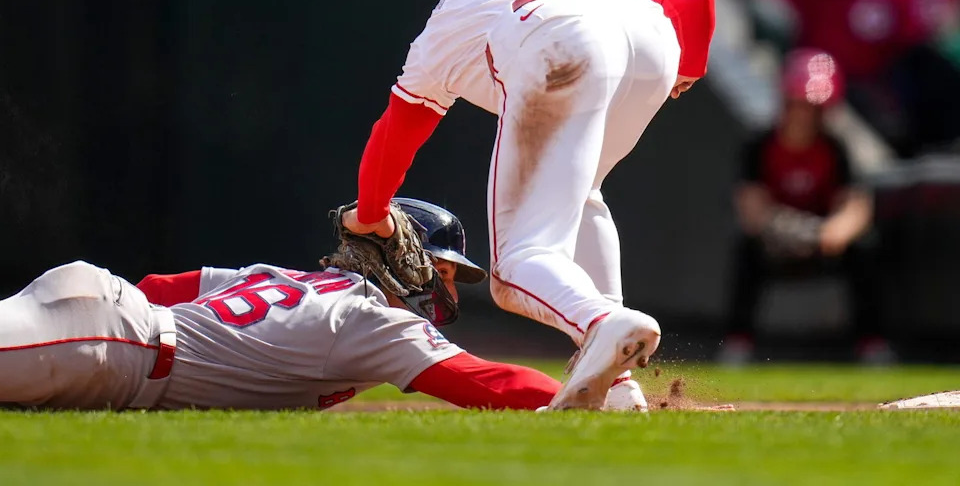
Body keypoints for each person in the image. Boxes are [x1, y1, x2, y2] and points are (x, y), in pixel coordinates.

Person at [339, 0, 716, 409]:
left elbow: (395, 135)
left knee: (516, 266)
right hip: (651, 40)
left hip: (554, 39)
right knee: (584, 198)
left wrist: (369, 215)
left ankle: (601, 321)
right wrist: (689, 64)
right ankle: (620, 388)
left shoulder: (447, 19)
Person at [4, 199, 652, 411]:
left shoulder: (294, 279)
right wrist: (580, 395)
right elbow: (483, 380)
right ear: (410, 257)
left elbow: (157, 286)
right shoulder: (372, 319)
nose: (448, 290)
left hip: (106, 319)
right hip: (115, 348)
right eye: (445, 271)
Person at [719, 49, 894, 365]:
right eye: (798, 105)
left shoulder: (835, 147)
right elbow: (750, 205)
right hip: (777, 237)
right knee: (746, 251)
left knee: (864, 250)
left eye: (811, 108)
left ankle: (872, 344)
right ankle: (737, 342)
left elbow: (855, 205)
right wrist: (780, 228)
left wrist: (831, 233)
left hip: (823, 240)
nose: (803, 115)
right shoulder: (760, 144)